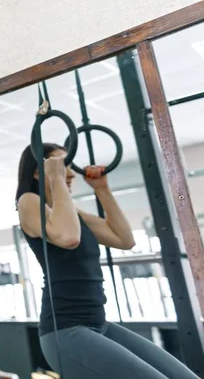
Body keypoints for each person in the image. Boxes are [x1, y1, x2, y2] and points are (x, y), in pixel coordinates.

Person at [15, 143, 199, 379]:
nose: (70, 173)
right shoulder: (28, 202)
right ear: (37, 172)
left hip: (98, 323)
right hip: (65, 331)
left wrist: (102, 189)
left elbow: (124, 239)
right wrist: (56, 179)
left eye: (69, 167)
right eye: (63, 166)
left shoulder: (72, 214)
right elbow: (68, 238)